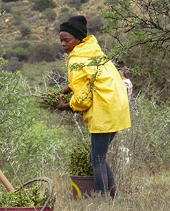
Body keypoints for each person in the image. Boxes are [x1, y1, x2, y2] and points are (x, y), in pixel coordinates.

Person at [55, 15, 130, 197]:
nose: (63, 44)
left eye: (67, 40)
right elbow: (93, 78)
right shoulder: (94, 52)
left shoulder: (77, 60)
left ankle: (102, 198)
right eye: (61, 41)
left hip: (104, 110)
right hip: (117, 107)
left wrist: (67, 106)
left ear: (78, 39)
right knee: (96, 156)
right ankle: (114, 196)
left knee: (97, 157)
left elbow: (82, 100)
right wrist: (71, 87)